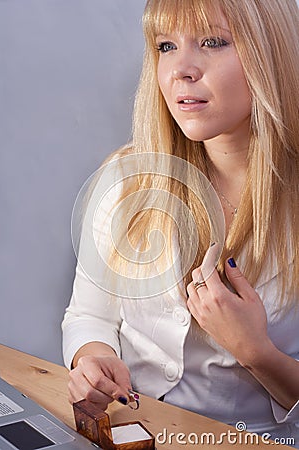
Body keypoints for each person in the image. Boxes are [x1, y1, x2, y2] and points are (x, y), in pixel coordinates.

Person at [62, 0, 299, 445]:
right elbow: (89, 315)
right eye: (166, 46)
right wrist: (91, 359)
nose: (181, 70)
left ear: (271, 53)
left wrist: (256, 352)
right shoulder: (126, 180)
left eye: (213, 42)